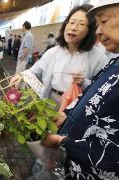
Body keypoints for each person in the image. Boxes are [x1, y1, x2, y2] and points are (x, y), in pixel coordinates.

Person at [42, 1, 119, 179]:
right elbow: (93, 96)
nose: (99, 31)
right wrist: (67, 114)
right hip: (75, 163)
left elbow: (112, 153)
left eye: (104, 21)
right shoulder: (113, 62)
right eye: (97, 24)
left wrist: (62, 142)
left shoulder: (98, 56)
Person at [11, 5, 107, 106]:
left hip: (75, 106)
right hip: (50, 101)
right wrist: (21, 76)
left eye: (81, 24)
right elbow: (34, 70)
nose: (73, 27)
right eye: (72, 22)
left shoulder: (98, 58)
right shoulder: (52, 52)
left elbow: (101, 89)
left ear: (90, 30)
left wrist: (83, 82)